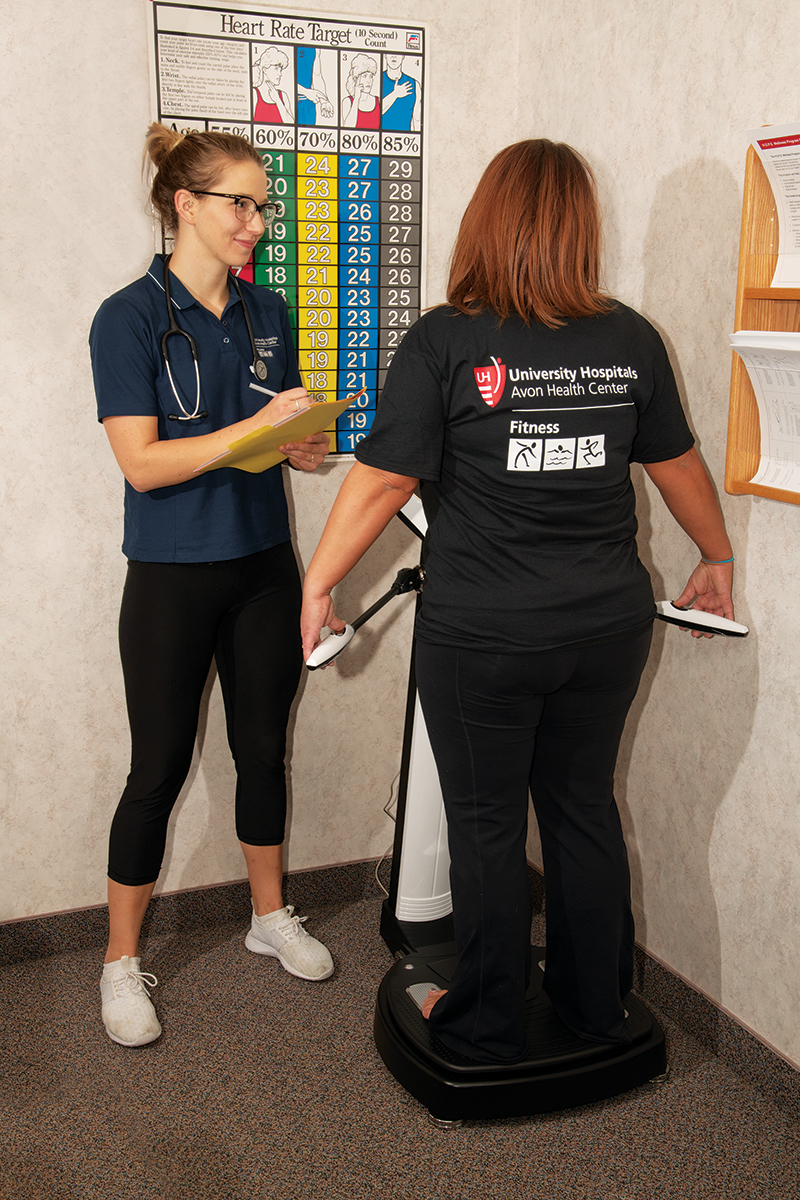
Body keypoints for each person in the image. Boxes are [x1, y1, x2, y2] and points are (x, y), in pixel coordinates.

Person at [300, 139, 735, 1064]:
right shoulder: (629, 338)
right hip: (606, 628)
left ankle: (490, 1019)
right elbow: (678, 467)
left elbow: (381, 482)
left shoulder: (448, 338)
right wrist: (716, 554)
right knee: (582, 808)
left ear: (483, 219)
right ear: (583, 225)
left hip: (485, 637)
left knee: (489, 824)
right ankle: (595, 1007)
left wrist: (320, 580)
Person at [90, 124, 334, 1049]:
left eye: (264, 205)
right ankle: (119, 961)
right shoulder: (129, 316)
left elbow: (283, 436)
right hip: (170, 576)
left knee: (262, 751)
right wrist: (247, 436)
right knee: (155, 769)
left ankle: (268, 918)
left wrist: (303, 445)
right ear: (184, 204)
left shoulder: (269, 312)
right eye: (243, 203)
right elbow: (142, 464)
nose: (259, 222)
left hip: (265, 564)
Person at [253, 46, 293, 124]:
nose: (280, 74)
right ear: (264, 69)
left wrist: (278, 101)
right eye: (276, 69)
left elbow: (291, 124)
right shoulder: (254, 93)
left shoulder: (283, 95)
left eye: (281, 70)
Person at [341, 54, 380, 129]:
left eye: (371, 76)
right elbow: (347, 129)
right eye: (364, 76)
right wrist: (356, 99)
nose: (369, 81)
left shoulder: (378, 101)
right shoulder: (347, 101)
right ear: (356, 78)